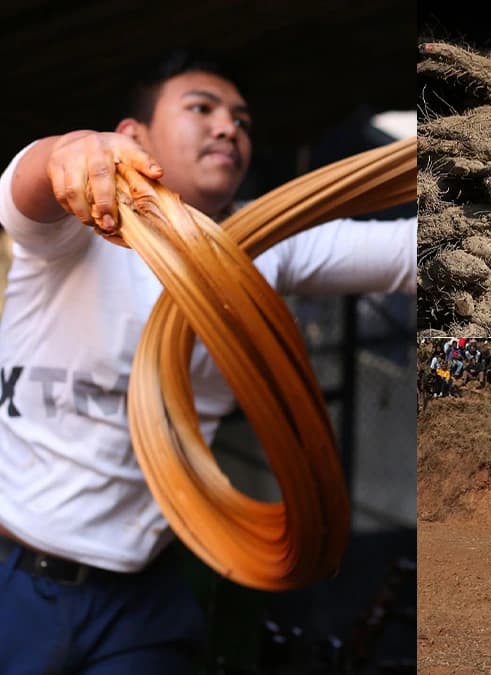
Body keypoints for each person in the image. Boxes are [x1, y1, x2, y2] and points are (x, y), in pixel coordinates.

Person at [0, 51, 415, 672]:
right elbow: (25, 187)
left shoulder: (267, 243)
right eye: (202, 109)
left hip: (143, 600)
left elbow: (413, 252)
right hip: (13, 579)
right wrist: (68, 150)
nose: (229, 127)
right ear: (131, 136)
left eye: (242, 120)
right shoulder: (72, 233)